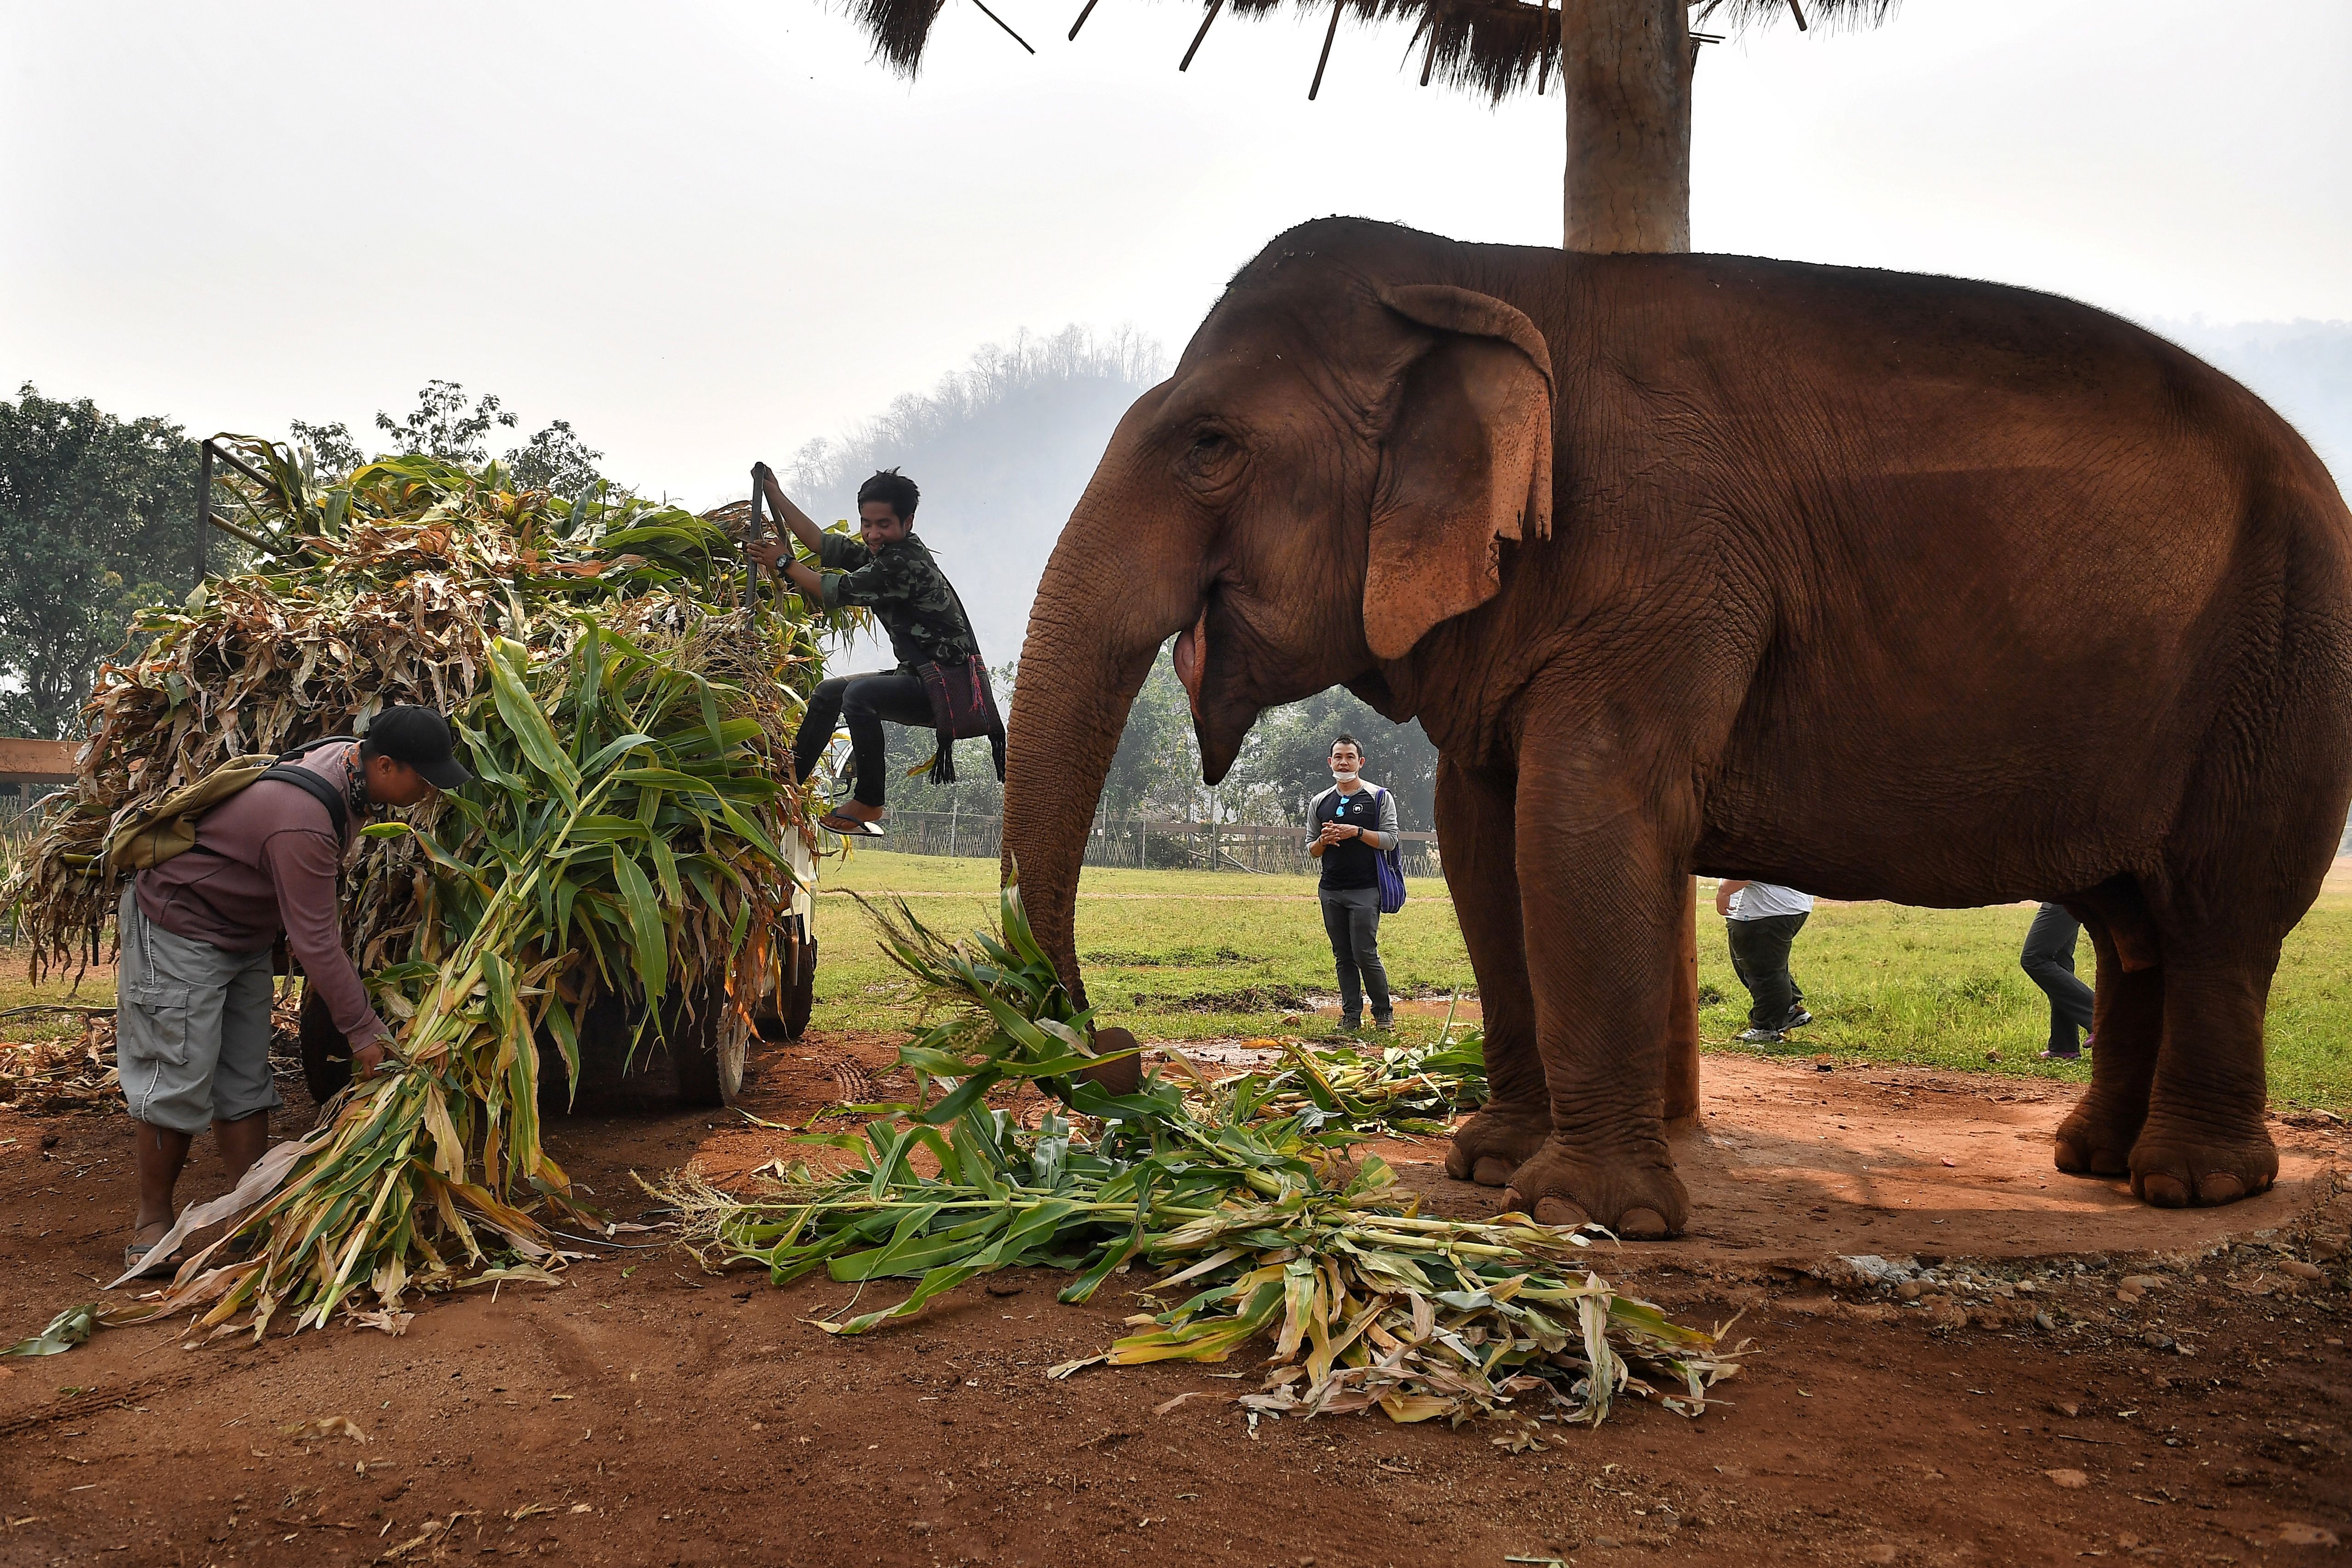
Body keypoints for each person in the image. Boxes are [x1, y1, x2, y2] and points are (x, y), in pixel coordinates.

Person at [118, 707, 469, 1277]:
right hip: (179, 924)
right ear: (384, 764)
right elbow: (313, 940)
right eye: (422, 778)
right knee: (178, 1074)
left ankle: (249, 1211)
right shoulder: (304, 818)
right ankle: (151, 1222)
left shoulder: (351, 773)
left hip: (244, 933)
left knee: (245, 1076)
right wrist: (364, 1031)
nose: (429, 789)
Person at [746, 468, 984, 837]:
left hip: (947, 691)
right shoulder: (883, 553)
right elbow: (820, 544)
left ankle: (870, 800)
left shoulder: (902, 563)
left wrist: (782, 563)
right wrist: (775, 496)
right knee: (830, 692)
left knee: (858, 696)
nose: (873, 534)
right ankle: (788, 781)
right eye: (867, 523)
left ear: (908, 521)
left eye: (884, 524)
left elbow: (834, 589)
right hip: (920, 677)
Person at [1308, 735, 1399, 1034]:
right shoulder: (1319, 802)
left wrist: (1357, 832)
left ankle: (1384, 1012)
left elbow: (1390, 839)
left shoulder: (1378, 797)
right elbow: (1311, 848)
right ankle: (1351, 1016)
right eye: (1338, 756)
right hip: (1330, 888)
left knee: (1364, 952)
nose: (1343, 762)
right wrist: (1324, 840)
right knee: (1343, 955)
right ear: (1329, 762)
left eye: (1350, 756)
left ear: (1360, 762)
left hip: (1366, 889)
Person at [1716, 879, 1814, 1045]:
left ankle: (1767, 1029)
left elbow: (1748, 864)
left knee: (1763, 972)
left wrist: (1725, 891)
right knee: (1764, 965)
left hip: (1764, 909)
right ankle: (1789, 1010)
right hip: (1782, 905)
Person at [2019, 902, 2095, 1059]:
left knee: (2034, 958)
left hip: (2064, 896)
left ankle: (2102, 1018)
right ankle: (2064, 1046)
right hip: (2068, 897)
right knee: (2059, 961)